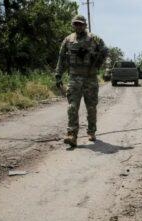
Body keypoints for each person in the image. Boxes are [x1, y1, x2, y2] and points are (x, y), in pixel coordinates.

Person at [55, 15, 108, 147]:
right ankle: (72, 134)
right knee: (72, 107)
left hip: (90, 78)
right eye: (76, 24)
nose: (78, 26)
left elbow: (106, 52)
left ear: (85, 25)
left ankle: (91, 131)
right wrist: (58, 75)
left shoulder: (95, 39)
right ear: (73, 25)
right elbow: (61, 58)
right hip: (74, 78)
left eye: (81, 24)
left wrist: (101, 66)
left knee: (91, 107)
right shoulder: (68, 40)